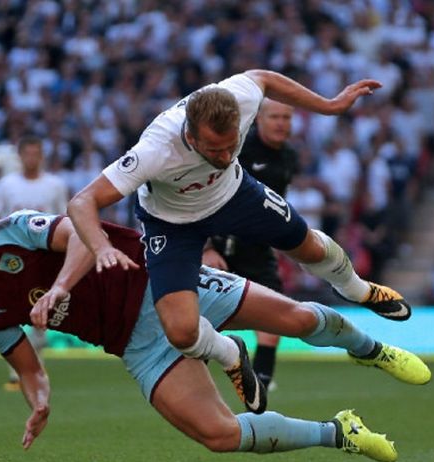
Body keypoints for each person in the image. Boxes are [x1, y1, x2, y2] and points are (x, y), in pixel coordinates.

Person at [0, 208, 430, 462]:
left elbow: (82, 238)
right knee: (220, 436)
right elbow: (28, 369)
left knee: (294, 319)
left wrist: (60, 286)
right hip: (135, 344)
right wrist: (39, 402)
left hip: (163, 280)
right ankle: (338, 432)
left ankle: (370, 348)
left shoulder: (12, 229)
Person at [67, 69, 412, 413]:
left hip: (233, 195)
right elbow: (82, 201)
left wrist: (330, 105)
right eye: (214, 149)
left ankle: (356, 289)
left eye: (231, 145)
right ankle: (230, 353)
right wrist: (101, 248)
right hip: (171, 224)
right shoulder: (155, 149)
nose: (224, 156)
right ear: (190, 134)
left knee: (308, 245)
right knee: (181, 332)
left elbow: (264, 78)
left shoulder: (238, 98)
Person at [202, 98, 297, 391]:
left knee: (274, 322)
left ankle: (259, 387)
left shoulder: (289, 157)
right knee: (204, 320)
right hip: (221, 246)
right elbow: (206, 193)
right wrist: (206, 247)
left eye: (286, 117)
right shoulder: (239, 149)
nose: (281, 122)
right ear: (259, 119)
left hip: (257, 249)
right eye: (275, 116)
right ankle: (191, 382)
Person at [0, 134, 68, 391]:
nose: (32, 158)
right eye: (27, 153)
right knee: (12, 315)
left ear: (42, 155)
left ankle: (37, 367)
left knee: (41, 314)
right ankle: (16, 373)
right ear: (20, 156)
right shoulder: (6, 184)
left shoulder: (55, 185)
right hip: (11, 258)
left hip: (43, 257)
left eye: (36, 153)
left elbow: (64, 218)